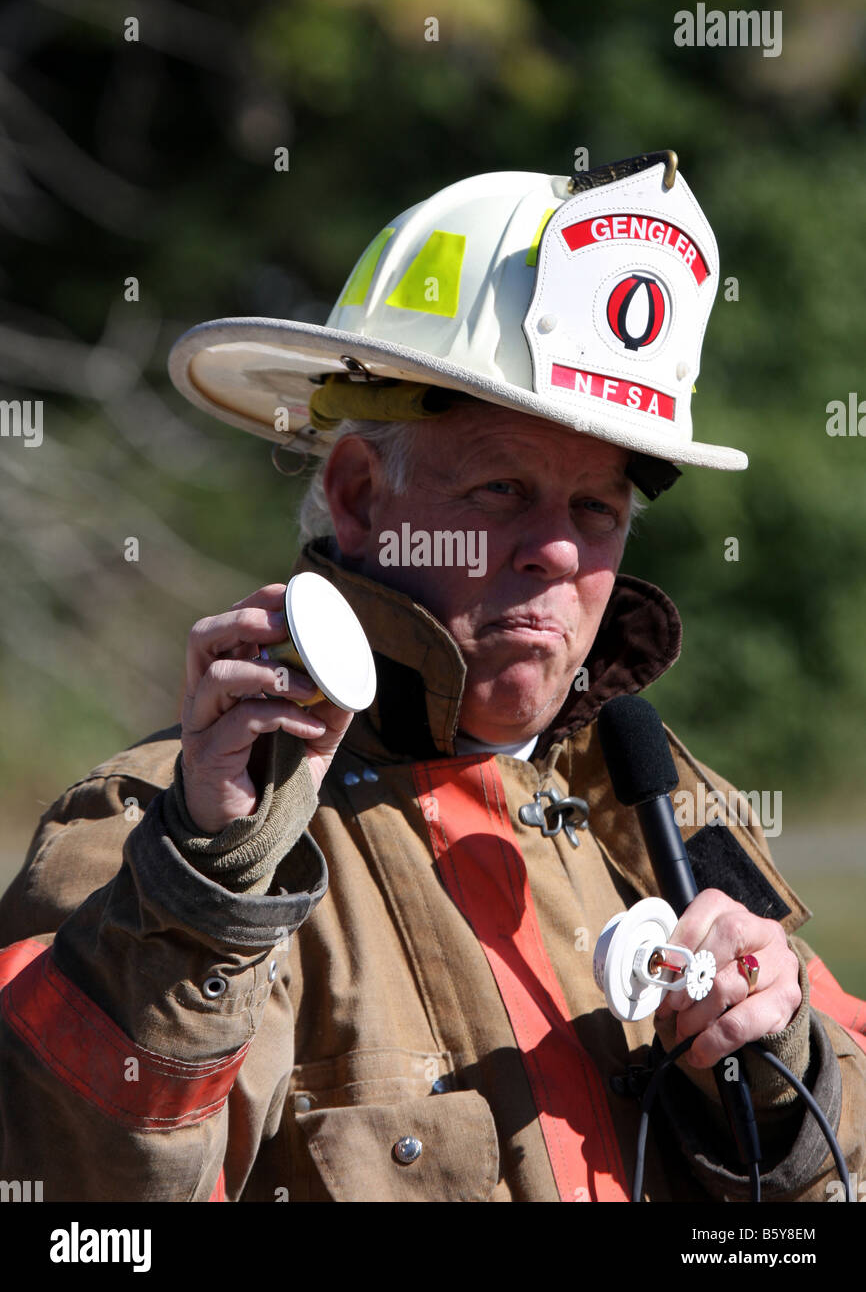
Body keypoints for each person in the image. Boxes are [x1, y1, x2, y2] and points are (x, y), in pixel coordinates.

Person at [1, 152, 864, 1203]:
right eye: (502, 488)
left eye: (595, 509)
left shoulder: (660, 821)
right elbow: (75, 1210)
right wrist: (200, 896)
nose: (554, 551)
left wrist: (781, 1078)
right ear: (359, 496)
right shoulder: (159, 838)